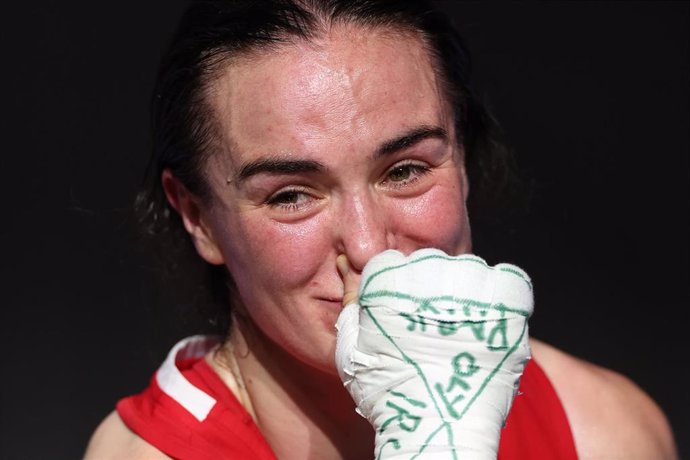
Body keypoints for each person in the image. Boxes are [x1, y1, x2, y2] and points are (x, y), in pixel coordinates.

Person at [85, 1, 677, 458]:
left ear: (463, 162)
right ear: (197, 216)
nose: (368, 247)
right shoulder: (153, 451)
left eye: (406, 170)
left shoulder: (604, 433)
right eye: (291, 195)